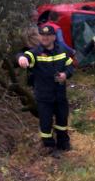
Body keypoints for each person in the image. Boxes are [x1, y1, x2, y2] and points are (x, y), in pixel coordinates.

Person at [17, 25, 74, 158]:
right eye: (42, 35)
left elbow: (70, 66)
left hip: (60, 94)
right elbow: (24, 54)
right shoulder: (35, 52)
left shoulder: (62, 50)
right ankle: (48, 146)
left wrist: (66, 75)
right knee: (46, 122)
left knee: (62, 119)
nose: (45, 38)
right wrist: (22, 58)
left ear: (54, 37)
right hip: (44, 95)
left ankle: (63, 143)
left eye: (48, 36)